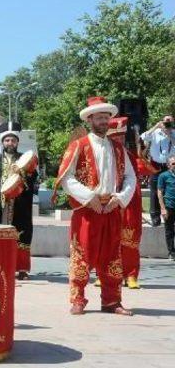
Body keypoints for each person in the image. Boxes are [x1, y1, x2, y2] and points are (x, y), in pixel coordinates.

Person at [57, 96, 136, 316]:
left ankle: (112, 301)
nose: (103, 121)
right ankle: (78, 299)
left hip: (111, 207)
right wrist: (88, 197)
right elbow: (66, 177)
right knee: (82, 253)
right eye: (99, 118)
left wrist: (119, 199)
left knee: (112, 255)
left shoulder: (119, 149)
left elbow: (130, 177)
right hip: (87, 210)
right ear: (90, 120)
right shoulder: (78, 146)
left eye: (106, 117)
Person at [0, 122, 37, 280]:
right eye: (7, 140)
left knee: (21, 234)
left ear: (17, 142)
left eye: (13, 140)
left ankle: (22, 269)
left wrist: (24, 173)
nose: (10, 143)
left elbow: (34, 179)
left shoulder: (25, 159)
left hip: (20, 204)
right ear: (2, 142)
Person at [107, 117, 143, 289]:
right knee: (108, 241)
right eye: (116, 137)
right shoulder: (102, 154)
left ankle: (131, 275)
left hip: (129, 203)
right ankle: (106, 274)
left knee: (129, 241)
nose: (120, 140)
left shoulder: (129, 156)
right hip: (108, 202)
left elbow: (133, 181)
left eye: (122, 136)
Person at [141, 115, 175, 226]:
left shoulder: (173, 133)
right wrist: (156, 126)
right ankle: (155, 216)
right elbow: (143, 138)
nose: (167, 124)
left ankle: (169, 216)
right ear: (162, 122)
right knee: (154, 190)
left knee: (169, 190)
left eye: (169, 122)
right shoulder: (155, 132)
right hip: (155, 165)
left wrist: (170, 135)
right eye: (166, 121)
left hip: (169, 166)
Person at [157, 155, 175, 261]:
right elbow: (159, 192)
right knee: (169, 230)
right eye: (173, 163)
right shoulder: (163, 176)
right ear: (168, 165)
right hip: (169, 206)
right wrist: (163, 209)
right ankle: (171, 252)